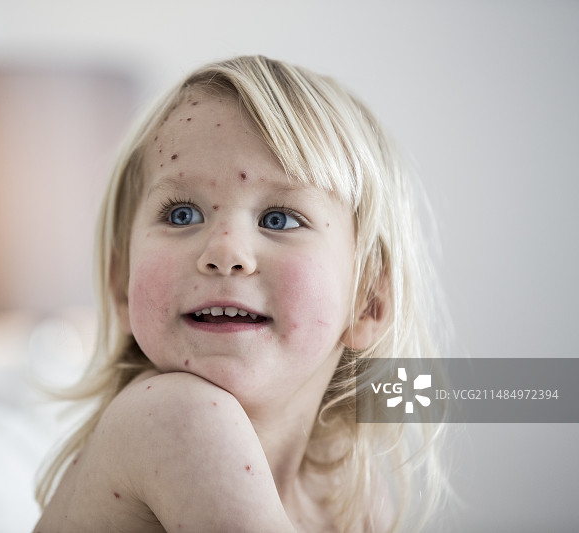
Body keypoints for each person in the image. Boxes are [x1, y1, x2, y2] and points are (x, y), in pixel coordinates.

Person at [33, 55, 449, 532]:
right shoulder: (174, 418)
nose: (225, 252)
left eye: (279, 219)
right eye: (182, 214)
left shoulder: (343, 487)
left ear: (368, 302)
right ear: (120, 286)